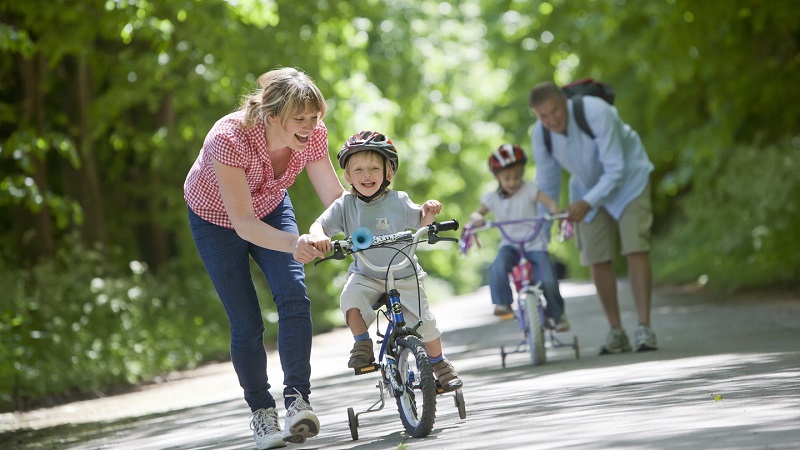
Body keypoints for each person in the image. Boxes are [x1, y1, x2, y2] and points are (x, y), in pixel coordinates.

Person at [183, 67, 346, 450]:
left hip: (271, 207)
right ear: (272, 116)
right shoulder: (229, 137)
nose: (310, 126)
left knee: (293, 296)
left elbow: (335, 197)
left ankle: (297, 402)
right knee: (246, 322)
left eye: (315, 117)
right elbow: (242, 222)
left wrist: (369, 223)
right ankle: (261, 412)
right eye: (300, 119)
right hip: (217, 219)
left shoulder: (313, 134)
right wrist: (295, 243)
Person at [309, 130, 463, 392]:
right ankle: (362, 344)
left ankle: (438, 363)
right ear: (348, 176)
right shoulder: (345, 205)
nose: (366, 175)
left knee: (425, 322)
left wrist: (427, 212)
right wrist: (317, 236)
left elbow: (420, 221)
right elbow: (320, 224)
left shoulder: (399, 200)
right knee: (350, 300)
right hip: (366, 274)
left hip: (403, 272)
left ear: (388, 173)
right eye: (358, 170)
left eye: (373, 169)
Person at [528, 81, 658, 354]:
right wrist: (541, 233)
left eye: (554, 112)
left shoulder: (597, 112)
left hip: (629, 182)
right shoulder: (541, 135)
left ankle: (644, 327)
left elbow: (616, 168)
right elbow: (548, 183)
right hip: (586, 188)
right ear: (536, 116)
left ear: (564, 101)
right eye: (543, 116)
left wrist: (587, 203)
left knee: (635, 248)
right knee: (596, 257)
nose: (551, 120)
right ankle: (616, 332)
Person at [467, 144, 569, 330]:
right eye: (507, 178)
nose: (513, 182)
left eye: (517, 176)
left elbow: (549, 202)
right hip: (510, 244)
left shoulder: (530, 188)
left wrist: (555, 209)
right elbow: (476, 214)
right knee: (497, 266)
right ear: (497, 177)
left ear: (522, 173)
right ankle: (503, 303)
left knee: (548, 279)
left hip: (535, 243)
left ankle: (557, 315)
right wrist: (477, 219)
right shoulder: (491, 198)